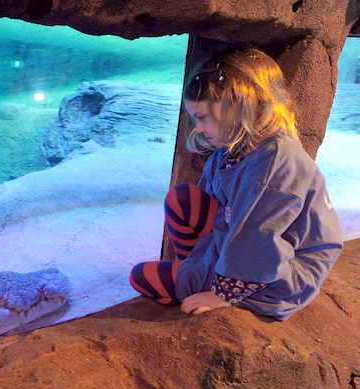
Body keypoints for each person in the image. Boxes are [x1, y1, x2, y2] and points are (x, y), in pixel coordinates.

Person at [129, 47, 343, 321]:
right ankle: (192, 266)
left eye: (203, 117)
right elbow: (212, 207)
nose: (199, 128)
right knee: (183, 199)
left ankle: (215, 281)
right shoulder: (230, 151)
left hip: (282, 271)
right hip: (238, 241)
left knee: (141, 276)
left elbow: (258, 238)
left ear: (239, 107)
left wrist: (221, 295)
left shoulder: (277, 162)